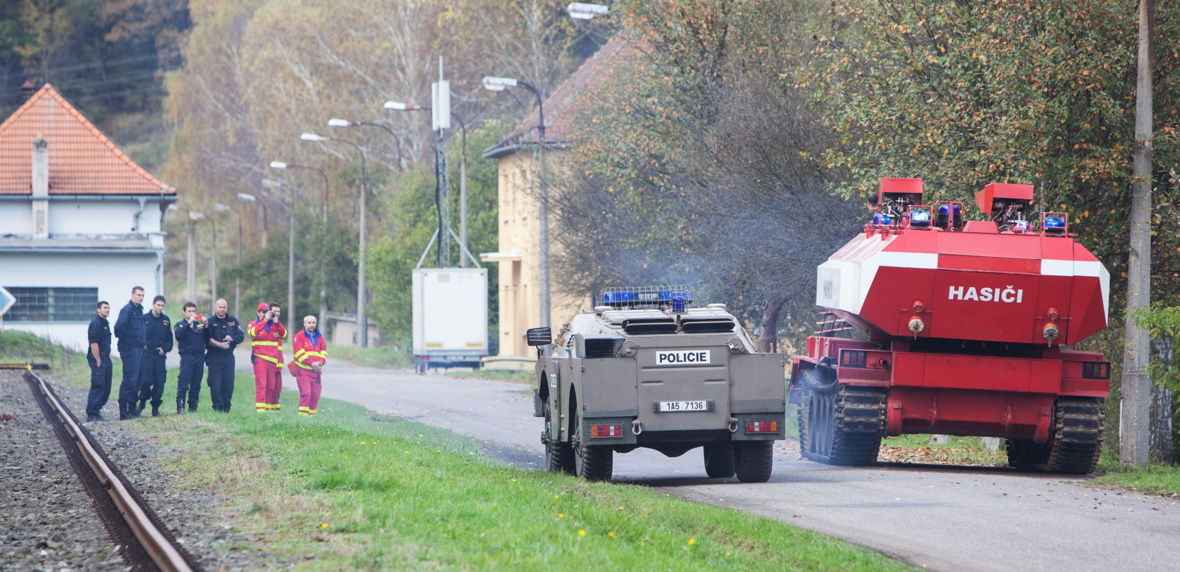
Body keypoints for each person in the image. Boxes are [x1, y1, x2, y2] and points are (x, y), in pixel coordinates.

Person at [205, 298, 244, 412]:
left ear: (227, 308)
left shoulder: (233, 320)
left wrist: (232, 339)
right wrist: (220, 345)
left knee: (228, 383)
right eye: (220, 307)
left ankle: (227, 406)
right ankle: (218, 407)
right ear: (215, 308)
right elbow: (207, 339)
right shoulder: (210, 321)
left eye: (224, 307)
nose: (222, 309)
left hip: (228, 357)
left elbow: (241, 336)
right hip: (214, 357)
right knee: (215, 383)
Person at [137, 295, 173, 417]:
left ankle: (155, 407)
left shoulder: (166, 320)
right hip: (147, 356)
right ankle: (142, 401)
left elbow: (169, 340)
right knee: (146, 380)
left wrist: (165, 349)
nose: (160, 307)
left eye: (162, 305)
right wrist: (144, 346)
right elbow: (139, 336)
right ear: (153, 304)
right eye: (158, 305)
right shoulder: (145, 318)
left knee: (160, 382)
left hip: (160, 356)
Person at [114, 286, 146, 420]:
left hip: (139, 349)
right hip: (129, 349)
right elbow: (118, 329)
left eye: (142, 295)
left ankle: (132, 408)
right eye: (138, 295)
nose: (141, 297)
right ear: (132, 295)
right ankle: (123, 410)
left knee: (138, 379)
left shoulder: (139, 310)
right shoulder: (127, 310)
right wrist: (131, 340)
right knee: (129, 379)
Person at [247, 302, 286, 412]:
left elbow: (283, 334)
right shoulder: (253, 323)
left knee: (271, 387)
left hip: (272, 360)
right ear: (258, 312)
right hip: (260, 358)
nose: (265, 314)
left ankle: (269, 410)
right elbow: (252, 333)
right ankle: (260, 410)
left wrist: (277, 322)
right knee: (262, 385)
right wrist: (264, 321)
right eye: (263, 312)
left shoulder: (274, 325)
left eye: (267, 312)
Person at [173, 301, 207, 414]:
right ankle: (180, 407)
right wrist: (189, 323)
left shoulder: (199, 324)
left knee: (196, 383)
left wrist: (206, 325)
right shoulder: (180, 324)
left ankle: (193, 408)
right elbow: (179, 336)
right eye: (189, 311)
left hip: (199, 357)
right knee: (183, 383)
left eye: (193, 311)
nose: (192, 313)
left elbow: (207, 337)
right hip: (187, 357)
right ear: (184, 312)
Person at [291, 315, 327, 416]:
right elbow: (299, 354)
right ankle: (302, 417)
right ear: (304, 324)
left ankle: (312, 417)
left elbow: (323, 352)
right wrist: (312, 363)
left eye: (313, 323)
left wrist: (320, 362)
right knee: (306, 393)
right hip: (303, 371)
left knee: (315, 395)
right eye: (309, 323)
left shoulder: (319, 337)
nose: (311, 325)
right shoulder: (298, 337)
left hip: (316, 372)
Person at [84, 301, 112, 422]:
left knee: (106, 385)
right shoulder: (96, 323)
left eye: (108, 308)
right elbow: (94, 343)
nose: (107, 310)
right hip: (98, 358)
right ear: (98, 310)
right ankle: (92, 413)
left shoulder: (104, 323)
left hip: (106, 357)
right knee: (98, 384)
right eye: (105, 308)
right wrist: (98, 360)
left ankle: (97, 410)